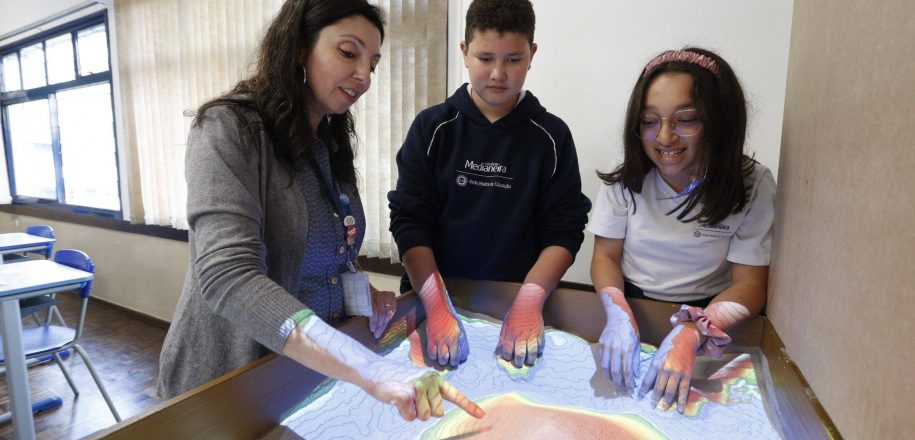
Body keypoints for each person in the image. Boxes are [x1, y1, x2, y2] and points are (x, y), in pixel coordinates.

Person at [158, 0, 483, 422]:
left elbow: (330, 255)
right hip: (229, 381)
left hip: (300, 379)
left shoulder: (327, 142)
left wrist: (359, 294)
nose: (364, 76)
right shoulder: (227, 129)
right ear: (298, 48)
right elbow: (229, 277)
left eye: (373, 63)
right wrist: (369, 369)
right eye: (348, 53)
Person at [388, 0, 591, 369]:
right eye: (485, 58)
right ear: (464, 53)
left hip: (514, 304)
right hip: (433, 294)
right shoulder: (432, 128)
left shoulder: (552, 137)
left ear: (532, 55)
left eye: (513, 59)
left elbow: (565, 230)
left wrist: (529, 300)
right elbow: (409, 221)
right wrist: (435, 303)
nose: (498, 73)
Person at [588, 48, 775, 413]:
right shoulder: (625, 176)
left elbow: (751, 284)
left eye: (686, 120)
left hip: (715, 308)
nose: (665, 137)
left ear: (719, 120)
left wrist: (695, 329)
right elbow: (605, 256)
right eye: (649, 121)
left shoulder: (753, 183)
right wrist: (617, 313)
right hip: (636, 301)